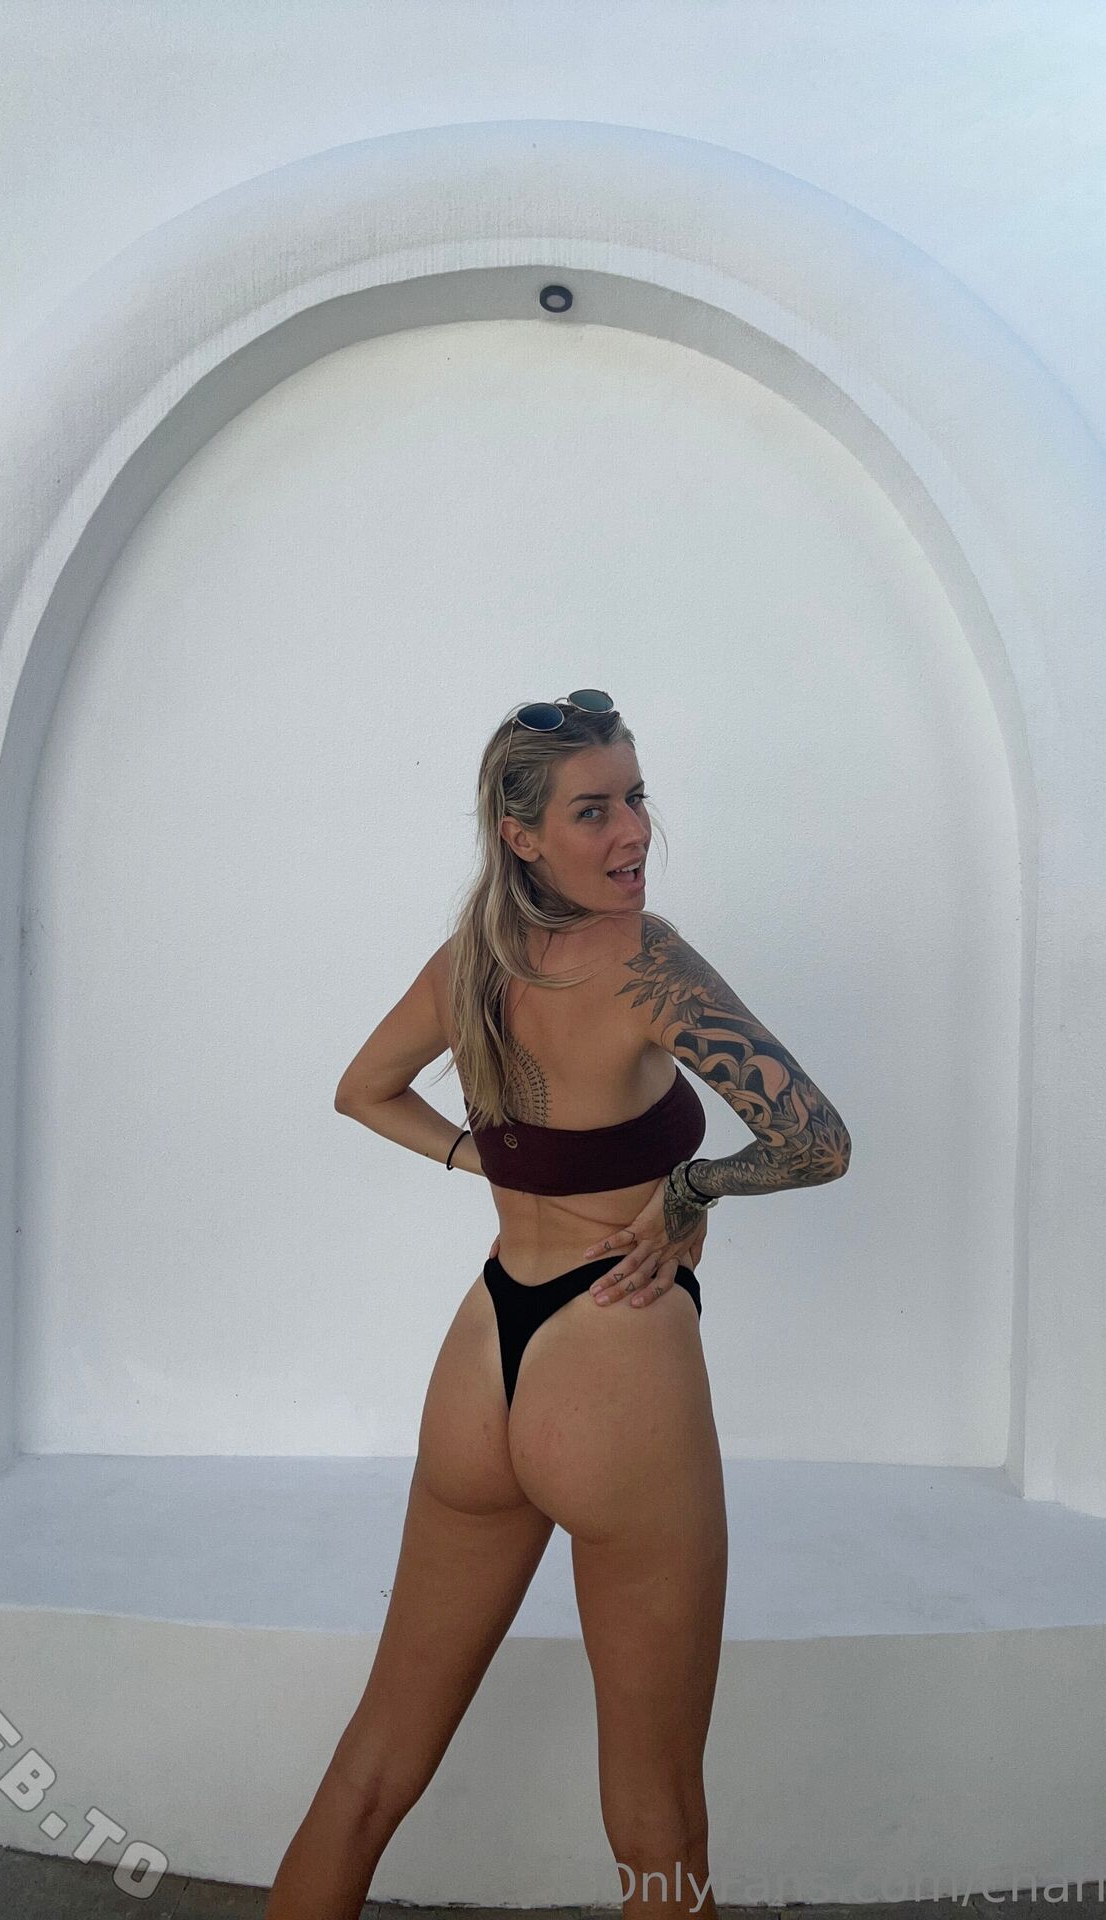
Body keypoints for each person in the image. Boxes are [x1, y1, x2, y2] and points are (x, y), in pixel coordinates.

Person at [266, 691, 851, 1920]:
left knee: (373, 1767)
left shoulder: (470, 966)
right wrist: (692, 1186)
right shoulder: (648, 963)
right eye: (594, 811)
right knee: (659, 1820)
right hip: (613, 1370)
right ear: (521, 834)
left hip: (486, 1354)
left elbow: (364, 1089)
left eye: (636, 797)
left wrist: (483, 1158)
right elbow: (817, 1141)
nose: (633, 831)